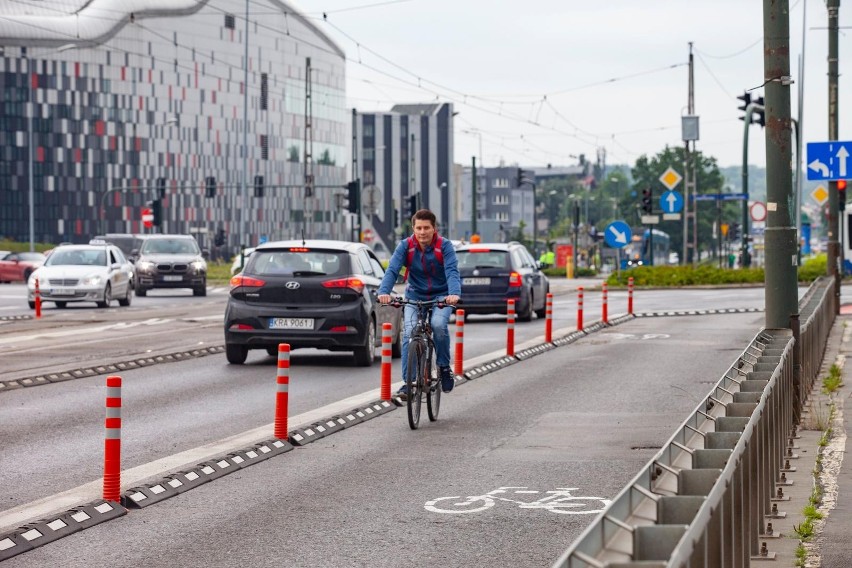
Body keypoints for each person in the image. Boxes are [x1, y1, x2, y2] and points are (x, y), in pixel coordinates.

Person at [378, 209, 461, 399]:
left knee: (438, 325)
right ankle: (409, 383)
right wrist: (384, 292)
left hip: (442, 295)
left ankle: (443, 367)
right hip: (415, 294)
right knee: (409, 332)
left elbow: (452, 271)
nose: (422, 232)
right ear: (413, 229)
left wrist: (454, 294)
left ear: (434, 229)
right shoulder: (405, 246)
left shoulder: (444, 246)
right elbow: (392, 270)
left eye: (426, 228)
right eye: (418, 228)